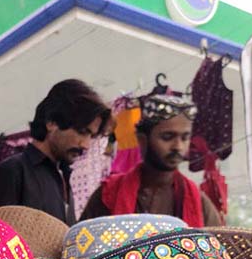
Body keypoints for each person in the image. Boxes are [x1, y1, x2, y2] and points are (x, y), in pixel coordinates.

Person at [0, 79, 110, 225]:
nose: (86, 144)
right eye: (82, 132)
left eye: (91, 136)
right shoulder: (13, 172)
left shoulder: (63, 175)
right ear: (52, 123)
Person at [80, 94, 222, 226]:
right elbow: (82, 245)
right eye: (167, 137)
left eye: (184, 138)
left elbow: (218, 249)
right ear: (142, 140)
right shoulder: (109, 193)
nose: (177, 146)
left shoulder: (198, 202)